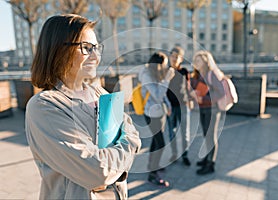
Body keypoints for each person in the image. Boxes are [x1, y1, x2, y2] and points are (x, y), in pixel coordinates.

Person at [25, 14, 141, 199]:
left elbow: (133, 132)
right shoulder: (44, 106)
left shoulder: (100, 93)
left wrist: (124, 146)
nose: (96, 56)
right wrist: (128, 146)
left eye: (96, 48)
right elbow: (98, 172)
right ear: (57, 50)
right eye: (86, 48)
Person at [138, 52, 175, 187]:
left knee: (155, 140)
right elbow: (158, 95)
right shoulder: (147, 75)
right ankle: (153, 175)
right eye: (164, 64)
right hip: (150, 113)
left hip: (160, 112)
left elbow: (162, 94)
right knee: (160, 143)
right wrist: (168, 79)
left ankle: (153, 165)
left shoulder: (156, 73)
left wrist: (169, 105)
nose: (166, 67)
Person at [190, 50, 225, 175]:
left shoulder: (211, 74)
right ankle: (207, 158)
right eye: (195, 60)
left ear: (205, 61)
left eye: (198, 60)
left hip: (212, 109)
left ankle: (211, 164)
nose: (195, 62)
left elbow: (221, 92)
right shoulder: (198, 74)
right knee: (206, 135)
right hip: (203, 108)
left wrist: (203, 98)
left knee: (211, 136)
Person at [166, 46, 191, 166]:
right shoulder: (165, 71)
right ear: (169, 57)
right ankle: (174, 154)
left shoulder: (184, 71)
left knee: (185, 131)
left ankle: (185, 154)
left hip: (183, 105)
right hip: (170, 107)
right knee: (172, 131)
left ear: (181, 59)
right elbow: (161, 89)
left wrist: (190, 100)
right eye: (173, 56)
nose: (174, 59)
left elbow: (188, 88)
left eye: (177, 57)